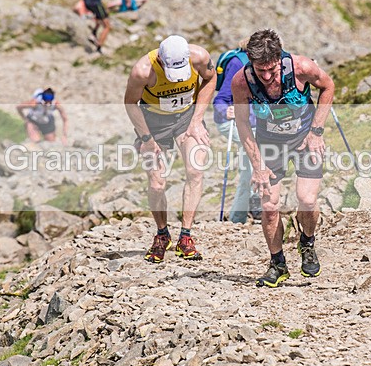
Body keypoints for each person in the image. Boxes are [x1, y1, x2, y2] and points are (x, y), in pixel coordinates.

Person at [231, 29, 335, 288]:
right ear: (250, 61)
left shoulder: (301, 67)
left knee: (307, 200)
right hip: (270, 143)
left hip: (304, 138)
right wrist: (257, 166)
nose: (266, 77)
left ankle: (307, 242)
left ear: (279, 58)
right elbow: (243, 124)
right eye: (260, 70)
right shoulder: (241, 81)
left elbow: (328, 87)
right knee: (268, 207)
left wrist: (316, 132)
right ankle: (277, 263)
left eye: (271, 70)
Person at [124, 35, 216, 263]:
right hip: (154, 121)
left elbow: (210, 78)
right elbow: (130, 103)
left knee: (195, 170)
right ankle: (162, 234)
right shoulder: (143, 71)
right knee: (157, 182)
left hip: (186, 117)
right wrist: (146, 139)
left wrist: (197, 119)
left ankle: (185, 236)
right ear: (161, 61)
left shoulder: (199, 56)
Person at [213, 41, 260, 223]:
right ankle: (254, 205)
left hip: (257, 124)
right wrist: (225, 110)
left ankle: (238, 217)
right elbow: (221, 98)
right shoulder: (237, 63)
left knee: (250, 166)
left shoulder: (274, 64)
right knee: (257, 158)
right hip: (232, 123)